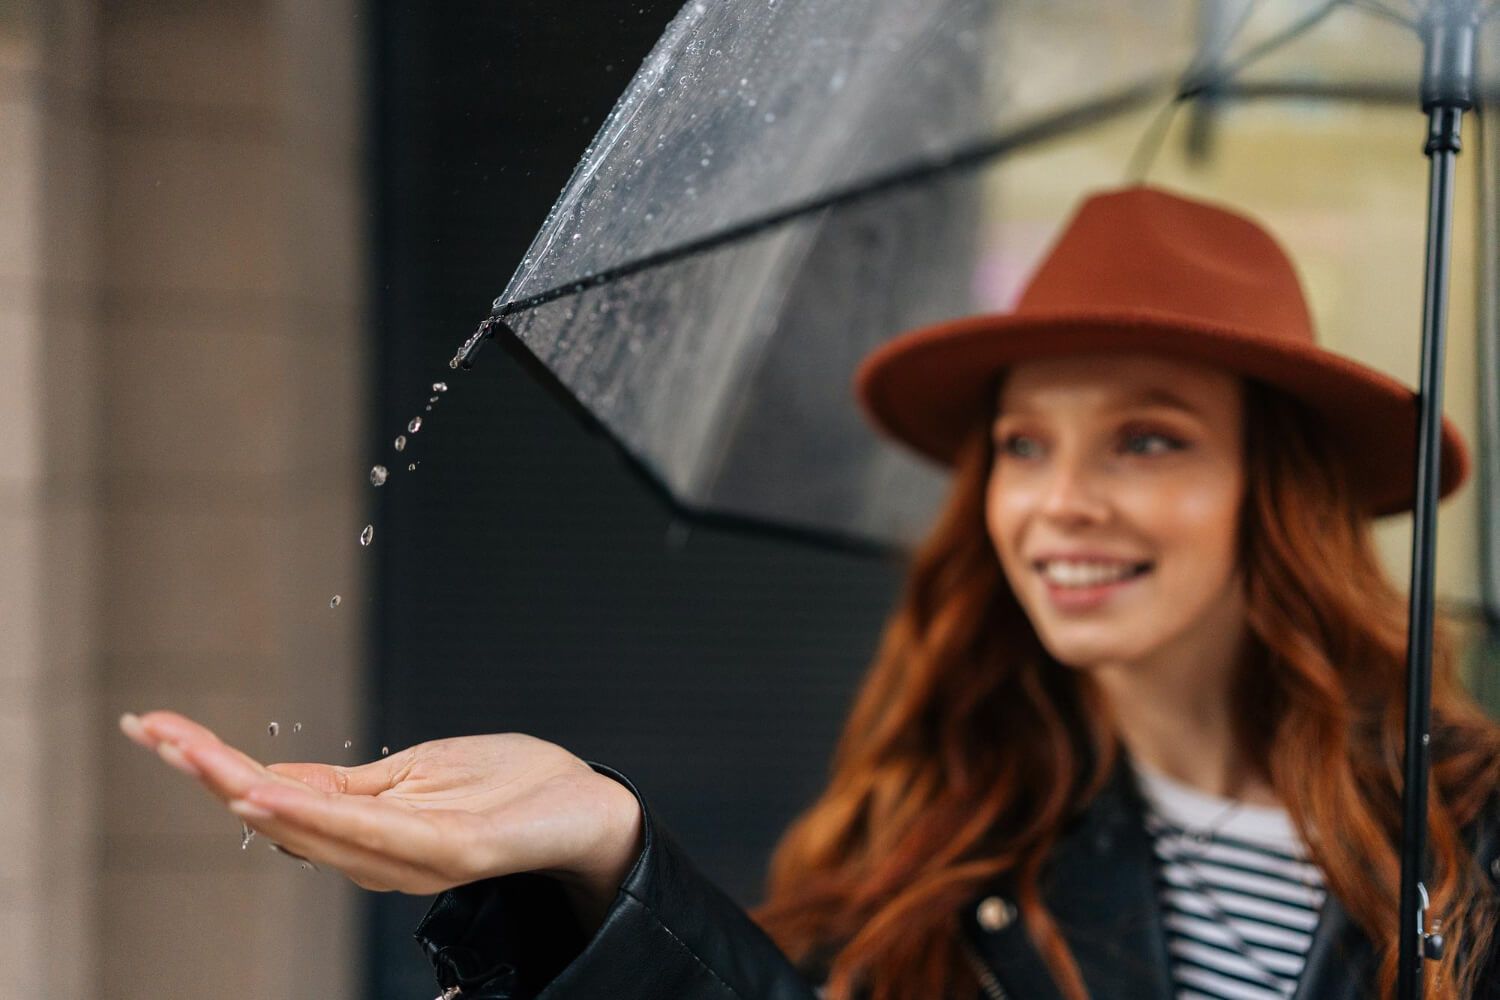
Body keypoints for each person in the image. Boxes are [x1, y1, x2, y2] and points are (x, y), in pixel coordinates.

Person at [121, 185, 1500, 1000]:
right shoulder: (939, 834)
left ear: (1285, 493)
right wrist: (605, 864)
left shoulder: (1472, 834)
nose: (1057, 499)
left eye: (1148, 437)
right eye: (1021, 444)